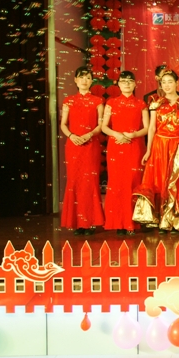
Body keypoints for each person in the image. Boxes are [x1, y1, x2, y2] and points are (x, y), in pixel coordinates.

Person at [133, 69, 179, 233]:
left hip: (177, 145)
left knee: (175, 181)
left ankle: (175, 220)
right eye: (163, 82)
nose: (166, 85)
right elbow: (152, 128)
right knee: (158, 180)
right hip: (159, 145)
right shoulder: (155, 102)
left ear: (177, 83)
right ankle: (159, 219)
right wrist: (148, 150)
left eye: (170, 82)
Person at [101, 71, 149, 236]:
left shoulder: (141, 104)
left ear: (135, 84)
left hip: (135, 146)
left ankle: (133, 222)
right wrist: (117, 135)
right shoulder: (111, 103)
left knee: (133, 182)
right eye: (123, 81)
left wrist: (133, 135)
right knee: (117, 183)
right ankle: (117, 222)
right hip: (116, 146)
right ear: (118, 84)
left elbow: (147, 128)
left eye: (130, 81)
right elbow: (104, 127)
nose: (127, 84)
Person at [60, 66, 105, 236]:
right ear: (75, 80)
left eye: (88, 78)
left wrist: (90, 134)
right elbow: (63, 124)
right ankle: (76, 222)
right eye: (81, 77)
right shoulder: (69, 100)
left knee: (90, 182)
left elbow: (100, 125)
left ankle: (91, 221)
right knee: (74, 181)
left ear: (92, 81)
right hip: (73, 145)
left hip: (91, 145)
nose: (84, 81)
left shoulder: (98, 101)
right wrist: (71, 136)